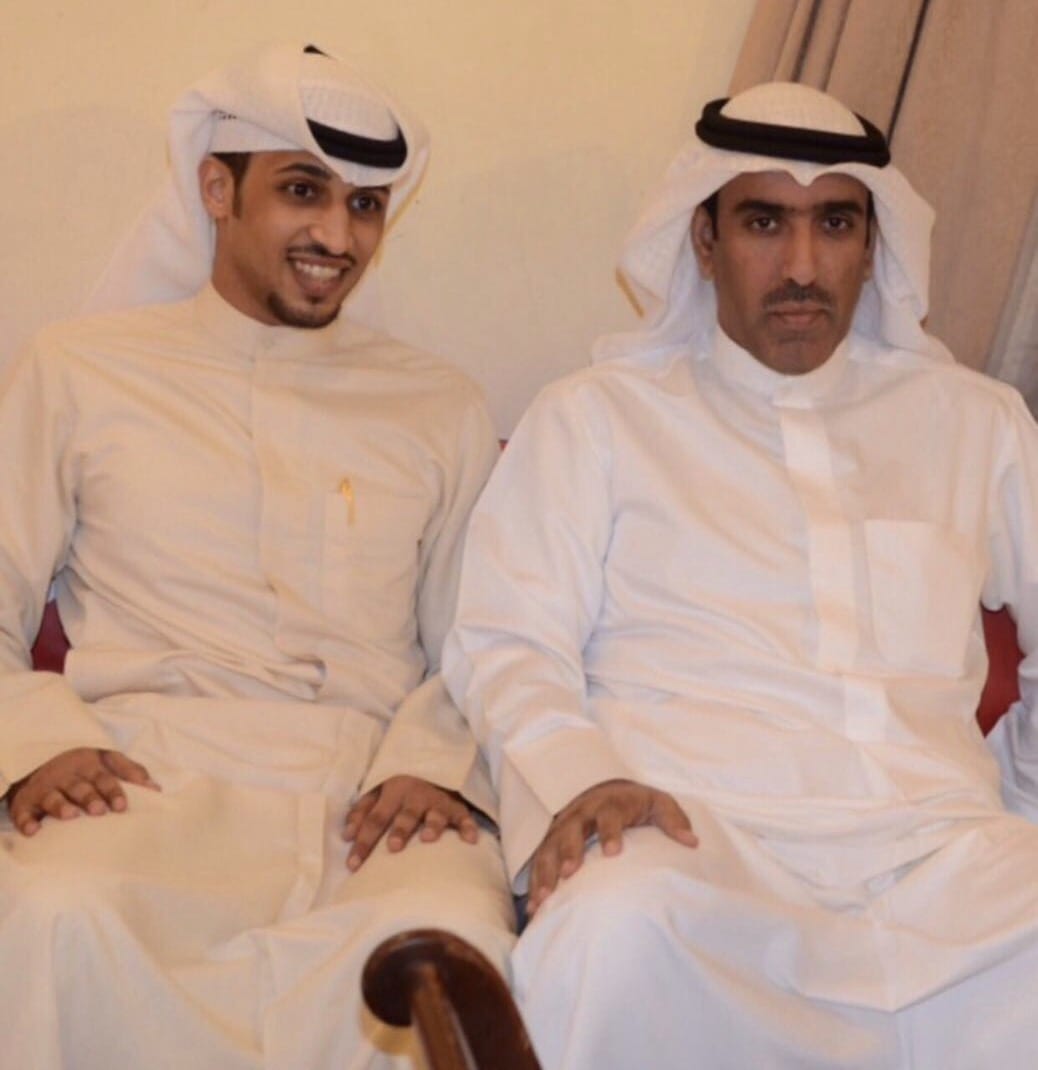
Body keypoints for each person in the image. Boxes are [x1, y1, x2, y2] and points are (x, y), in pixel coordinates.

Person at [443, 81, 1038, 1069]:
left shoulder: (978, 423)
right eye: (765, 222)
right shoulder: (597, 418)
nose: (802, 266)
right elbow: (508, 641)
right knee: (609, 926)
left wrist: (1016, 808)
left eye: (835, 223)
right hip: (702, 854)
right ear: (705, 239)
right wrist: (586, 778)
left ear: (873, 244)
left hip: (947, 869)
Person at [0, 42, 513, 1069]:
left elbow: (480, 637)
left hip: (368, 798)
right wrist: (35, 744)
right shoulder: (83, 369)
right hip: (144, 774)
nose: (338, 236)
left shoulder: (441, 404)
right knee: (55, 907)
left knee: (457, 940)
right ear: (215, 190)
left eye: (365, 205)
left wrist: (434, 766)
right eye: (301, 191)